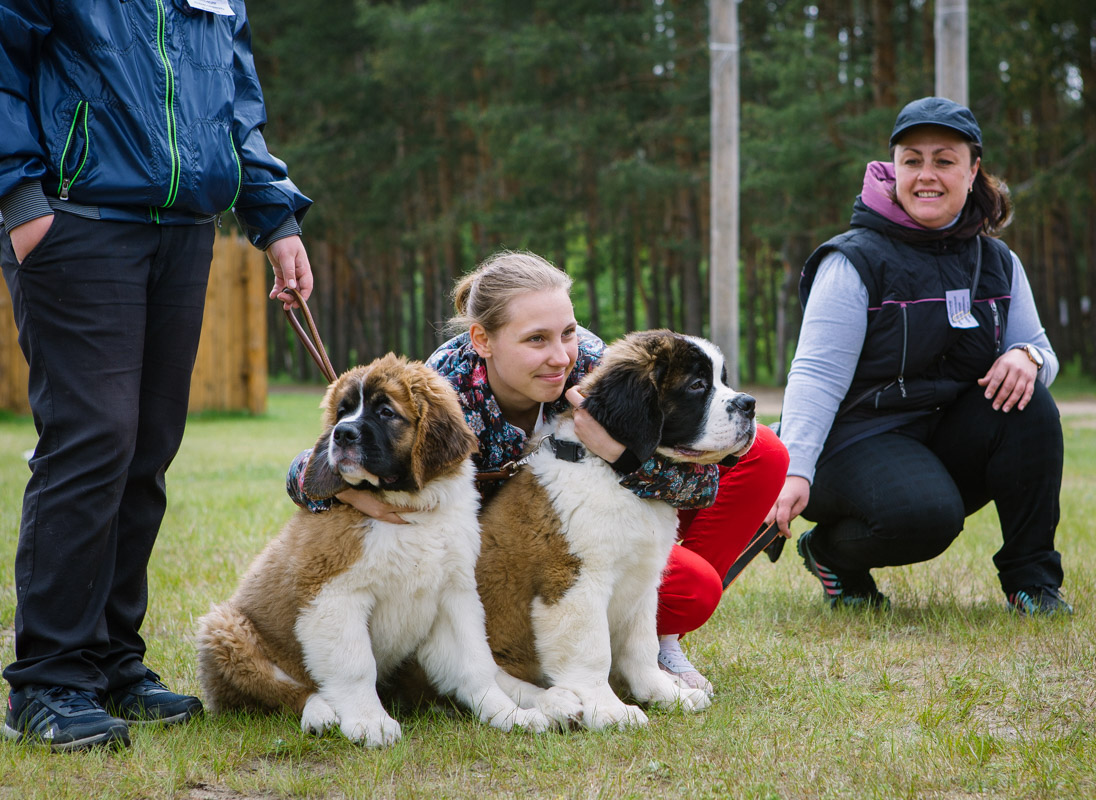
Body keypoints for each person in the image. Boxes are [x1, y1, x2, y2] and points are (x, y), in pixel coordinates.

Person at [1, 1, 313, 751]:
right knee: (94, 437)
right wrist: (19, 194)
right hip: (78, 220)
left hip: (182, 231)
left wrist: (275, 218)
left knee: (146, 446)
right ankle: (48, 680)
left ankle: (112, 663)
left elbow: (235, 100)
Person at [287, 251, 789, 694]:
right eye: (536, 339)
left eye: (567, 332)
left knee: (763, 450)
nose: (559, 356)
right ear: (482, 339)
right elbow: (308, 469)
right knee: (692, 587)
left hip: (607, 530)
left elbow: (703, 483)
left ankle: (655, 638)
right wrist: (345, 493)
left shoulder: (593, 366)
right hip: (508, 565)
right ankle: (599, 643)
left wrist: (618, 452)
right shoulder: (444, 390)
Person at [768, 97, 1070, 616]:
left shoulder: (999, 261)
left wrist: (1029, 358)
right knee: (926, 516)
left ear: (973, 171)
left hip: (936, 434)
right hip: (854, 441)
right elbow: (815, 373)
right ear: (893, 170)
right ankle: (831, 554)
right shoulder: (854, 259)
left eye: (944, 160)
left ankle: (1033, 584)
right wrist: (794, 468)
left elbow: (1041, 349)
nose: (926, 175)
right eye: (912, 160)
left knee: (1030, 403)